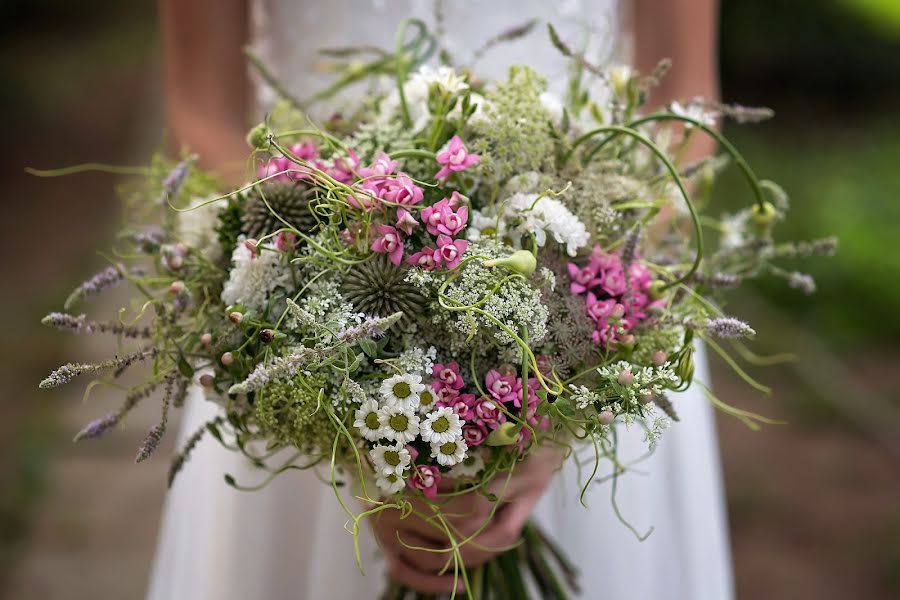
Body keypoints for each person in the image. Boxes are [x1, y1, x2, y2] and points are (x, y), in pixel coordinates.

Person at [150, 1, 732, 598]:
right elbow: (200, 110)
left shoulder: (578, 329)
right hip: (309, 325)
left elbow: (683, 115)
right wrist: (349, 425)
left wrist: (561, 395)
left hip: (584, 304)